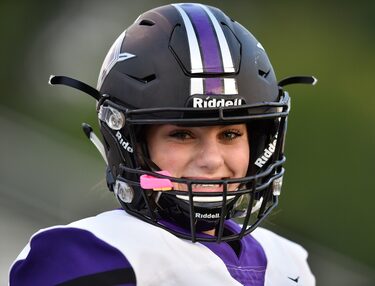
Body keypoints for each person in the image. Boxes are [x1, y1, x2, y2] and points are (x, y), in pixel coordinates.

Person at [9, 3, 317, 285]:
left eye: (230, 135)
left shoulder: (290, 264)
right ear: (134, 144)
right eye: (183, 135)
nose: (211, 159)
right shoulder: (90, 257)